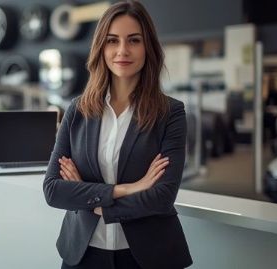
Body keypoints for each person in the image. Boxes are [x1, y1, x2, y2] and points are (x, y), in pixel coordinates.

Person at [43, 1, 193, 268]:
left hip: (148, 257)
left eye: (134, 40)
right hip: (83, 254)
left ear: (148, 47)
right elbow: (53, 190)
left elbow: (162, 196)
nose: (122, 50)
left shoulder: (170, 113)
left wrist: (93, 202)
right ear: (101, 47)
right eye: (113, 41)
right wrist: (127, 189)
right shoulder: (77, 110)